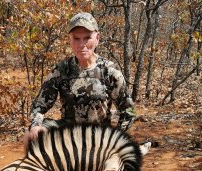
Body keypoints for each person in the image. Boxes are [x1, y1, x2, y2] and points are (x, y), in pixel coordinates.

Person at [27, 12, 135, 140]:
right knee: (33, 134)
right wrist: (35, 125)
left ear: (97, 38)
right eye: (76, 38)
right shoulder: (62, 69)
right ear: (69, 40)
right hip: (68, 135)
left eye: (87, 38)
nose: (81, 44)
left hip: (99, 137)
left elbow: (128, 112)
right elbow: (38, 107)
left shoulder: (109, 71)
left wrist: (115, 140)